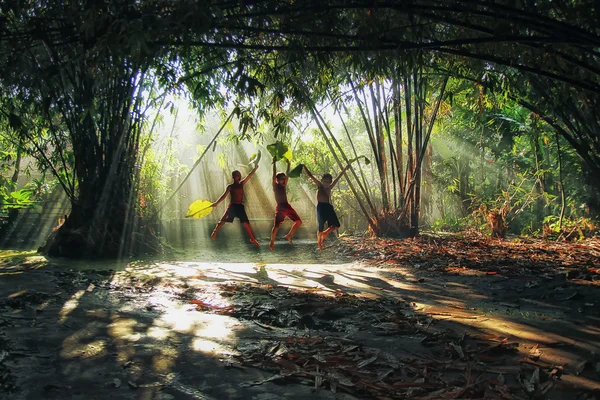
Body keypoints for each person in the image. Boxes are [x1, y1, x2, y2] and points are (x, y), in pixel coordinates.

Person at [210, 162, 260, 247]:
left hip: (240, 207)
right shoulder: (230, 186)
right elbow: (224, 196)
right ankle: (215, 232)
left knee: (246, 223)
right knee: (222, 222)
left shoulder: (242, 183)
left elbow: (249, 175)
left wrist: (255, 169)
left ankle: (252, 239)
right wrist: (216, 203)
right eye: (236, 175)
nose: (238, 176)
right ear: (233, 177)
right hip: (232, 207)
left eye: (239, 175)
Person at [303, 164, 350, 249]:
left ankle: (325, 233)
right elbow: (310, 176)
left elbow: (338, 177)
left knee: (336, 225)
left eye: (328, 182)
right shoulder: (320, 185)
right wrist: (304, 167)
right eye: (325, 182)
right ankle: (319, 243)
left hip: (328, 207)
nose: (326, 184)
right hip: (321, 207)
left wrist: (345, 169)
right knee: (320, 227)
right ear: (322, 181)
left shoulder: (329, 187)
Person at [269, 156, 302, 250]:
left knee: (299, 221)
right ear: (277, 180)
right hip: (280, 207)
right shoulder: (275, 186)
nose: (284, 180)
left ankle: (289, 235)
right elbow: (273, 175)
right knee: (276, 226)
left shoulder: (283, 185)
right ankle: (272, 242)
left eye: (284, 179)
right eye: (282, 179)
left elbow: (287, 175)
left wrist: (288, 164)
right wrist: (274, 163)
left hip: (287, 206)